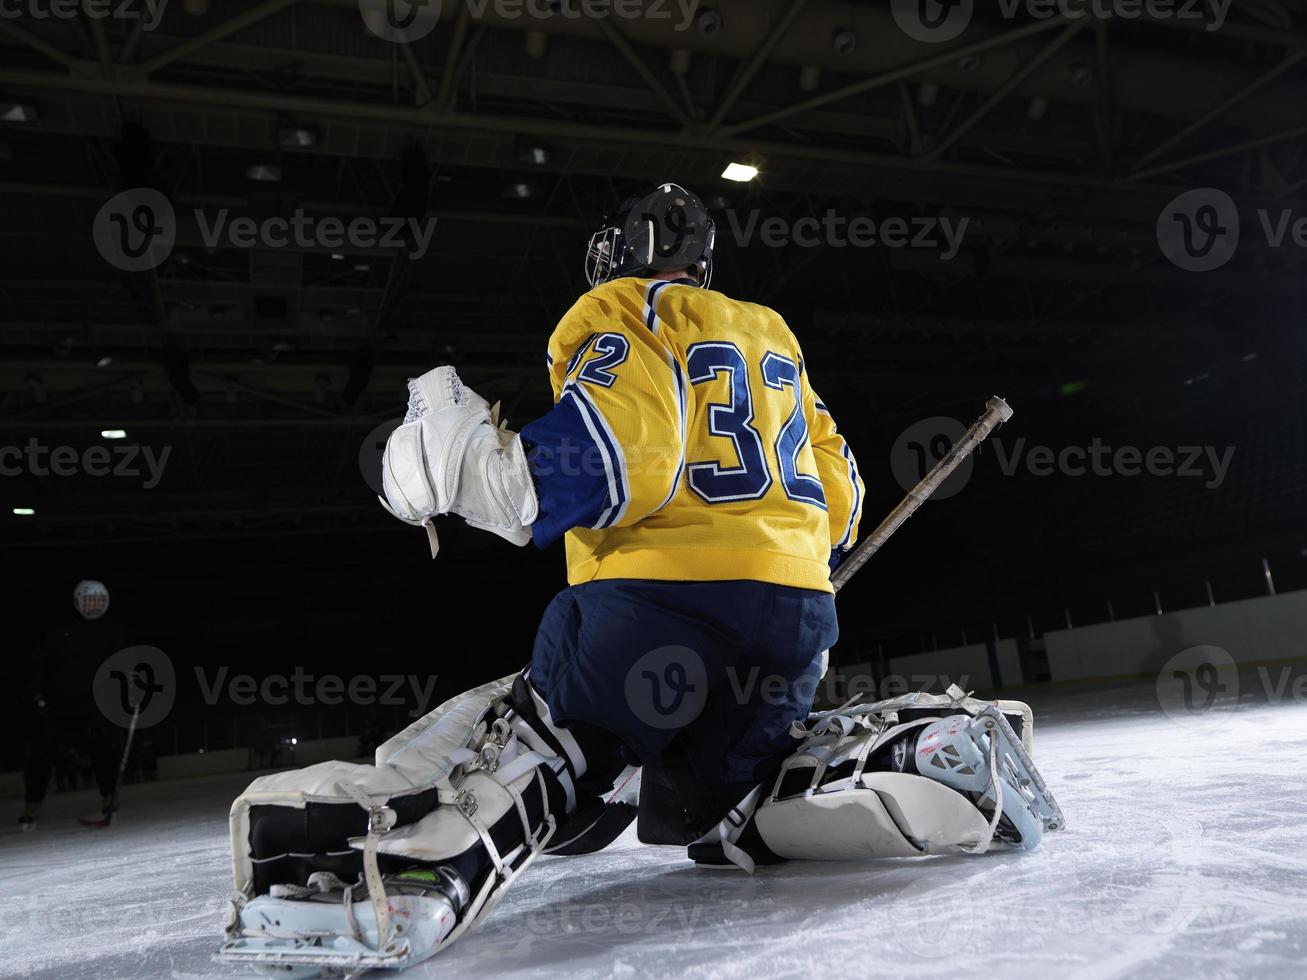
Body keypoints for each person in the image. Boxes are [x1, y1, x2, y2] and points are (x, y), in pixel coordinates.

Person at [219, 185, 1060, 977]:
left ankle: (401, 878)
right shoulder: (769, 333)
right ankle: (913, 758)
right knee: (726, 804)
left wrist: (480, 470)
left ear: (627, 251)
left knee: (545, 738)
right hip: (795, 618)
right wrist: (782, 565)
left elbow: (623, 453)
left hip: (657, 606)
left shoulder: (627, 312)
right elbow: (839, 496)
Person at [20, 580, 124, 830]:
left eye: (98, 601)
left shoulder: (112, 629)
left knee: (103, 750)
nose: (93, 606)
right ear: (78, 601)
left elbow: (122, 663)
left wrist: (130, 687)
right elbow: (40, 663)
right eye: (89, 601)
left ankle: (109, 797)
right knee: (42, 754)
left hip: (95, 704)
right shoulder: (60, 629)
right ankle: (32, 804)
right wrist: (37, 694)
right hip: (60, 705)